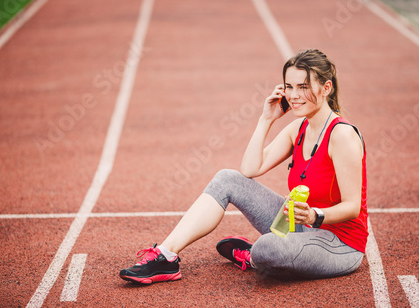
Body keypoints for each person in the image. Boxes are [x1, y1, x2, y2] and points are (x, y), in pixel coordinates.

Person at [119, 49, 368, 284]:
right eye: (289, 87)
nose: (293, 95)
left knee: (266, 248)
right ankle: (166, 256)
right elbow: (250, 169)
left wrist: (314, 215)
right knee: (227, 178)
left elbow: (352, 207)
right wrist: (266, 119)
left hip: (340, 243)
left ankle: (254, 255)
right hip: (299, 225)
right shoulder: (298, 128)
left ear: (326, 88)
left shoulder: (342, 136)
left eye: (303, 87)